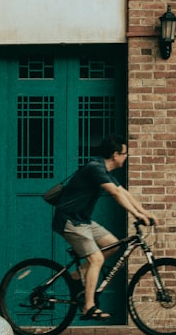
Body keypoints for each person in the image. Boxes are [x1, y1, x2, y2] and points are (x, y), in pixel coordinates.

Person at [51, 136, 156, 321]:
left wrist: (144, 212)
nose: (126, 157)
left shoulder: (105, 170)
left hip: (83, 220)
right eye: (125, 154)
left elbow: (123, 192)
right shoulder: (95, 168)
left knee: (113, 244)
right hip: (69, 220)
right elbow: (115, 193)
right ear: (116, 155)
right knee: (97, 259)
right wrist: (136, 215)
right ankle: (88, 307)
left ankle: (78, 275)